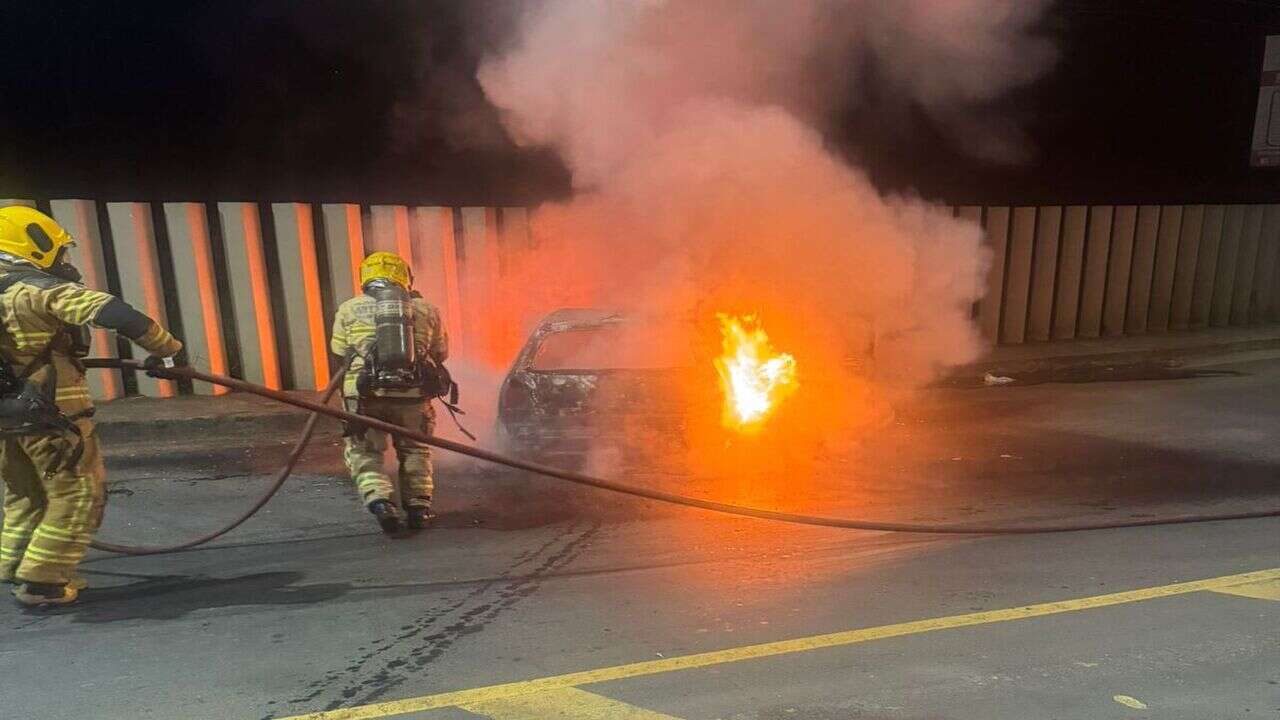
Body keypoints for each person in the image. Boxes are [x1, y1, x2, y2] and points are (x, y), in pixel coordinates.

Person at [0, 206, 182, 607]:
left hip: (6, 421)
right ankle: (42, 583)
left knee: (26, 495)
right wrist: (168, 352)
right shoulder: (34, 289)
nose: (65, 262)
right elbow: (113, 312)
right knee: (78, 494)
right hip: (50, 416)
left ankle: (13, 566)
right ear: (33, 245)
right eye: (60, 253)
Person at [330, 251, 448, 534]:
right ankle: (418, 508)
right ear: (405, 277)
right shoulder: (427, 310)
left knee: (365, 451)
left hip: (365, 395)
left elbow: (337, 350)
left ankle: (381, 501)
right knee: (415, 449)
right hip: (412, 394)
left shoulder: (349, 308)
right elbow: (441, 353)